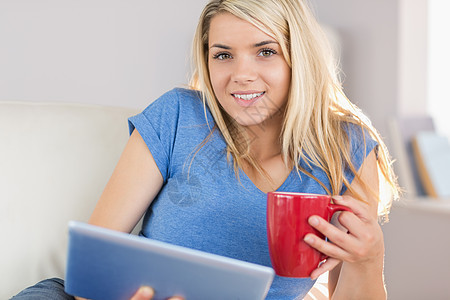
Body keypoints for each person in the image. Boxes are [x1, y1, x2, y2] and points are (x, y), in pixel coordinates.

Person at [12, 0, 400, 299]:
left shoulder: (347, 148)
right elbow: (90, 269)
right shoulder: (178, 115)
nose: (240, 74)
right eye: (223, 54)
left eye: (265, 51)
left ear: (299, 59)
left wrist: (369, 258)